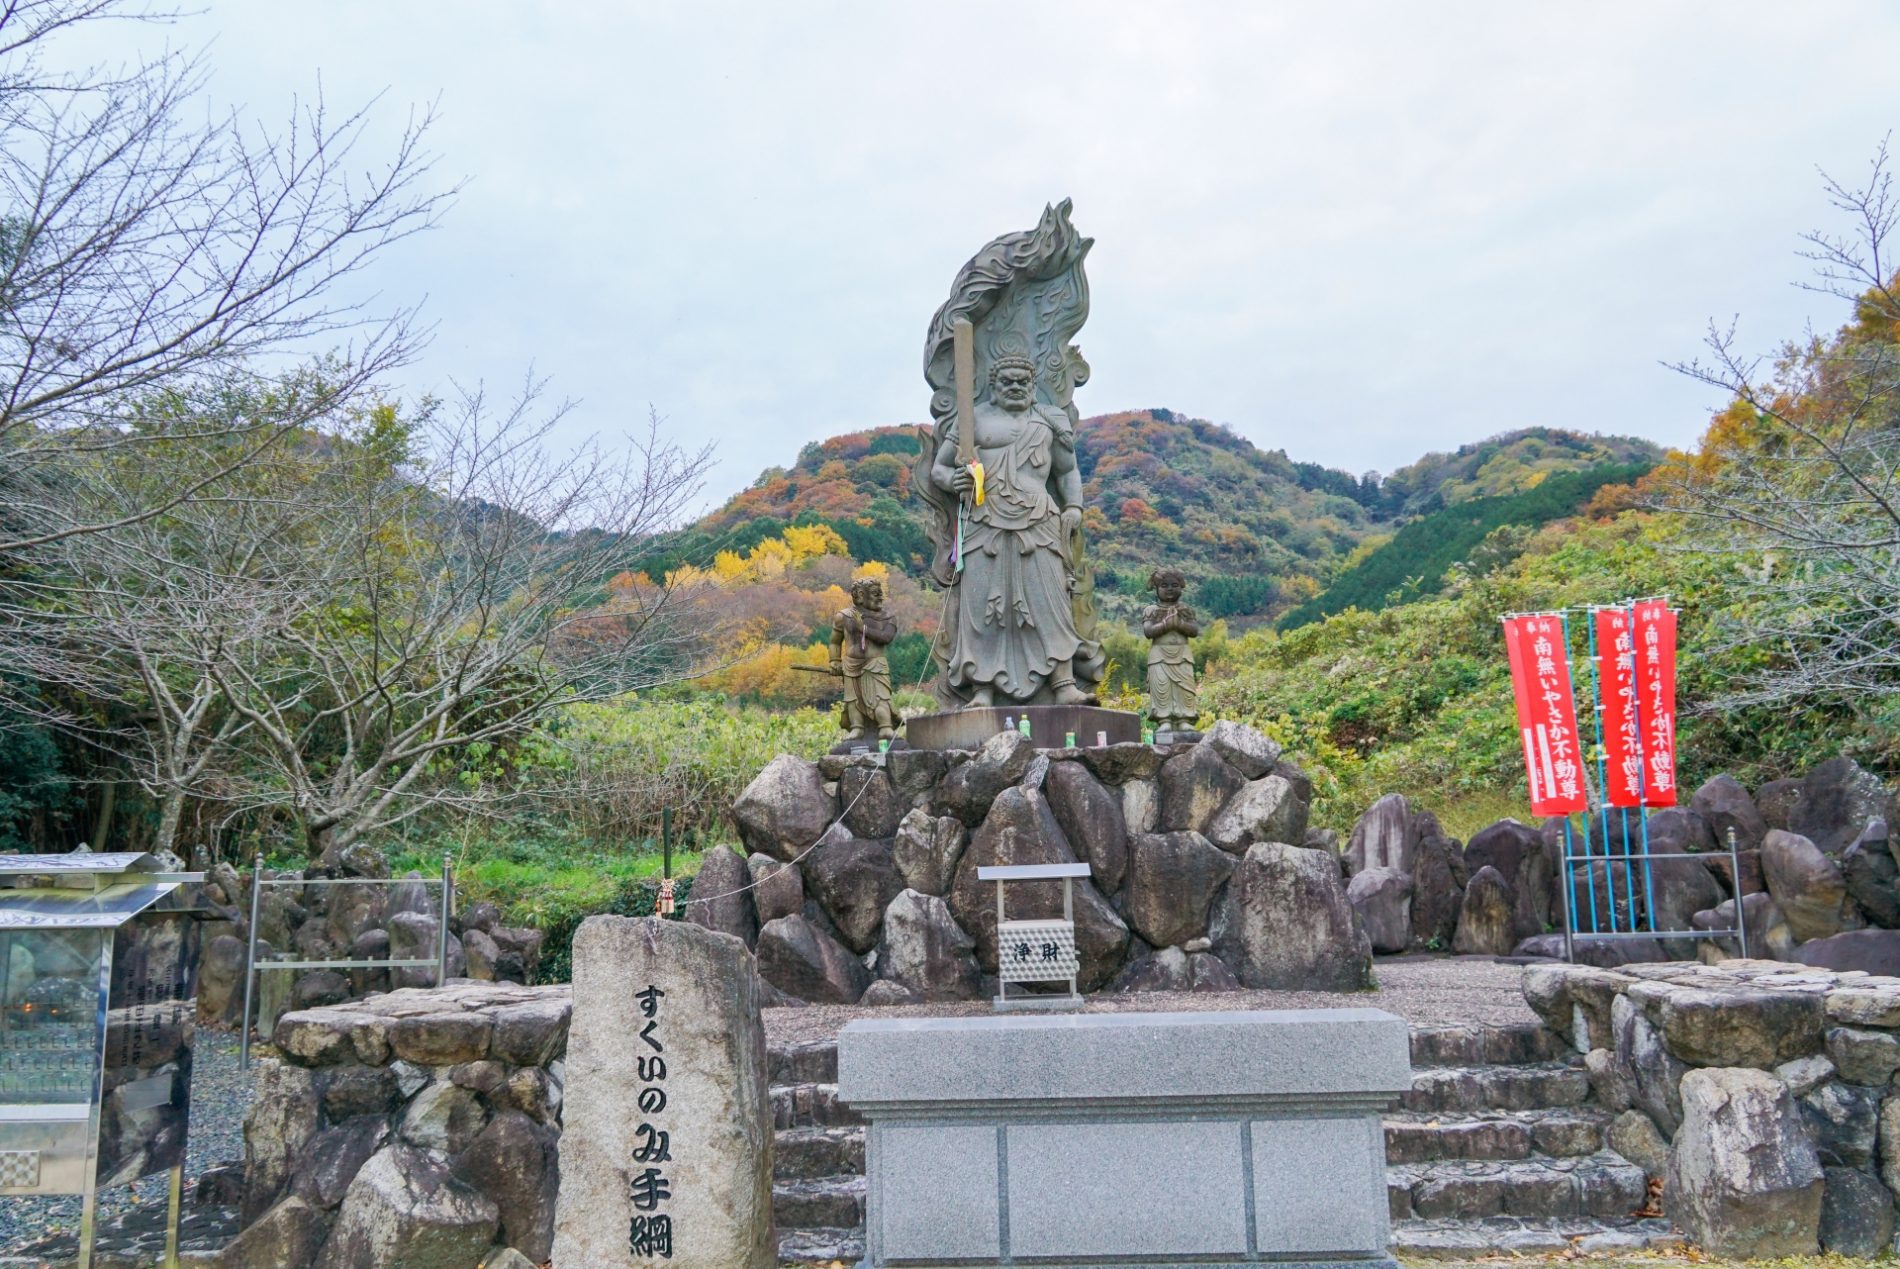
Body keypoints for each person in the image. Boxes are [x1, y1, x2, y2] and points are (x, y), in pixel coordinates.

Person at [928, 355, 1092, 707]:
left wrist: (1074, 506)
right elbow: (939, 469)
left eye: (1023, 381)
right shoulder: (972, 421)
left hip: (1038, 519)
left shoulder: (1050, 420)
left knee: (1050, 602)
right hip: (983, 521)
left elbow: (1067, 472)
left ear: (1033, 385)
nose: (1016, 387)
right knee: (984, 606)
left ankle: (1063, 682)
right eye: (1008, 381)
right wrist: (954, 480)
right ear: (993, 384)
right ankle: (982, 689)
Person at [830, 577, 897, 743]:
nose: (880, 597)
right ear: (860, 595)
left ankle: (885, 726)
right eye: (875, 594)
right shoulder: (844, 616)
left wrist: (863, 629)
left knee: (881, 697)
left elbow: (886, 638)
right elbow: (834, 642)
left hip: (876, 664)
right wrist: (834, 660)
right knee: (852, 700)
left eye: (881, 593)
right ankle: (857, 728)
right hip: (851, 665)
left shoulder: (887, 617)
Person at [1143, 568, 1201, 734]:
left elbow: (1194, 631)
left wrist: (1180, 624)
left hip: (1182, 654)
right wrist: (1166, 625)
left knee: (1185, 688)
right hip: (1159, 655)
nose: (1169, 588)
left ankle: (1184, 719)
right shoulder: (1151, 610)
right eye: (1164, 585)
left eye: (1174, 585)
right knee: (1162, 687)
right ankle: (1164, 720)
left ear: (1181, 588)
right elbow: (1148, 632)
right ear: (1156, 588)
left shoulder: (1186, 610)